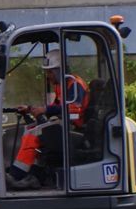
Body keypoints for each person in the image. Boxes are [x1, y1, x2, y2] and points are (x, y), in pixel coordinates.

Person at [7, 47, 89, 191]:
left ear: (59, 70)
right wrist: (32, 108)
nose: (48, 75)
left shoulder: (75, 84)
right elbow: (56, 107)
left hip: (77, 130)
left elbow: (74, 110)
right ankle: (28, 175)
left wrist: (45, 110)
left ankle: (17, 175)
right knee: (33, 129)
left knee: (34, 135)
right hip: (66, 127)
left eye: (50, 71)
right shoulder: (62, 86)